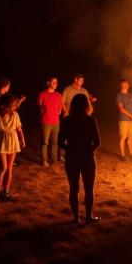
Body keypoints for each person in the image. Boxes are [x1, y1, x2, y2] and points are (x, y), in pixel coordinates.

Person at [58, 93, 101, 224]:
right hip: (87, 158)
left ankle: (76, 218)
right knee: (89, 189)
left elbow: (60, 141)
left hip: (71, 158)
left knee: (73, 188)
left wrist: (70, 149)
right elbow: (97, 141)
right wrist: (89, 151)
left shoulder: (67, 120)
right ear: (86, 105)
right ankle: (88, 216)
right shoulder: (90, 120)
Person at [0, 93, 25, 201]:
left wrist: (22, 139)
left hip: (12, 140)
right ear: (6, 105)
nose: (15, 107)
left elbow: (19, 128)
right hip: (0, 142)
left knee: (9, 167)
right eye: (12, 105)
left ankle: (5, 191)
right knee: (3, 167)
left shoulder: (15, 115)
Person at [37, 76, 63, 167]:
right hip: (46, 122)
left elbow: (60, 109)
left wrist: (56, 114)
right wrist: (45, 116)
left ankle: (53, 159)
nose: (56, 84)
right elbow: (40, 108)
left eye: (56, 82)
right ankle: (44, 160)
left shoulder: (59, 95)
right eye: (54, 82)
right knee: (45, 142)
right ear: (48, 83)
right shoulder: (42, 94)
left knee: (55, 142)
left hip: (55, 122)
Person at [116, 79, 132, 162]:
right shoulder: (119, 95)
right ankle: (122, 155)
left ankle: (131, 155)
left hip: (131, 120)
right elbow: (121, 109)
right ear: (121, 85)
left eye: (127, 84)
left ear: (128, 85)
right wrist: (131, 116)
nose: (125, 86)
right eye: (123, 84)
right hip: (124, 120)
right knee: (123, 137)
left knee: (130, 138)